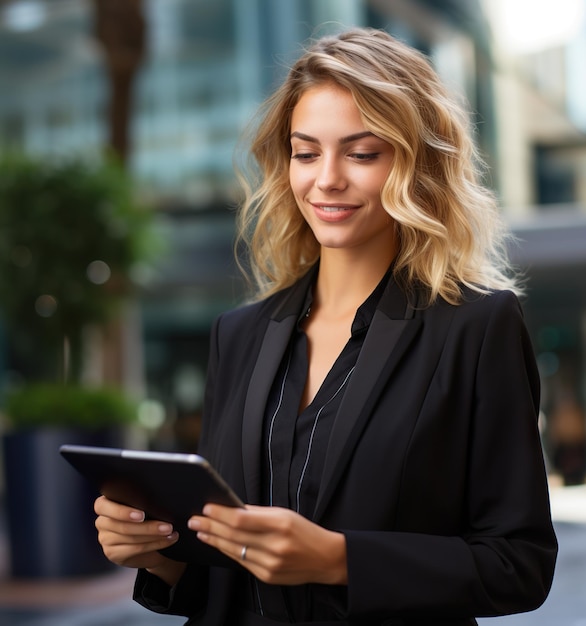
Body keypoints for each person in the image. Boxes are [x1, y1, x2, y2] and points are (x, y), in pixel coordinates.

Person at [94, 27, 557, 625]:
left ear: (416, 165)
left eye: (362, 153)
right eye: (305, 152)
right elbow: (220, 572)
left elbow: (519, 565)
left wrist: (339, 559)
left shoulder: (476, 327)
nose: (326, 179)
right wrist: (158, 557)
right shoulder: (237, 336)